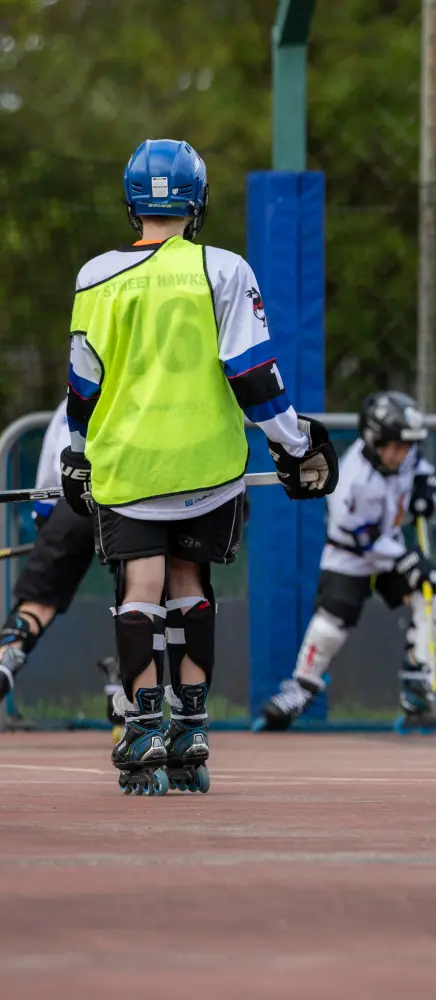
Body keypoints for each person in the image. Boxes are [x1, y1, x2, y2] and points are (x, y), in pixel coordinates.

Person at [60, 138, 338, 795]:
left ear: (132, 202)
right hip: (208, 467)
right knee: (190, 586)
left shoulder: (95, 276)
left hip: (128, 466)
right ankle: (190, 729)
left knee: (140, 592)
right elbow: (252, 374)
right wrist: (295, 445)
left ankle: (144, 728)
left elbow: (83, 382)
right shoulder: (225, 269)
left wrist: (75, 449)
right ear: (198, 199)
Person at [257, 391, 436, 732]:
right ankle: (302, 686)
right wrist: (407, 559)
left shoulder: (404, 458)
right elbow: (362, 538)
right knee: (330, 625)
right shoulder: (352, 479)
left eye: (407, 446)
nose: (403, 454)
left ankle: (420, 679)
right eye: (396, 446)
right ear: (373, 440)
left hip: (389, 553)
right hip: (350, 558)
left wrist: (426, 488)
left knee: (430, 596)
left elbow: (420, 470)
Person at [0, 401, 103, 710]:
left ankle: (7, 656)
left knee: (36, 605)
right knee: (143, 598)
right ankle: (137, 699)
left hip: (70, 504)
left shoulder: (77, 394)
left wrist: (48, 528)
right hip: (136, 501)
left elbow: (48, 476)